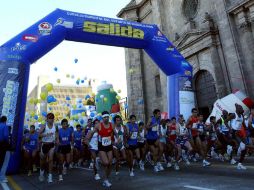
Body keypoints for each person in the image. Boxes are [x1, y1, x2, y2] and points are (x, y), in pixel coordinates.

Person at [95, 111, 114, 187]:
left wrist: (117, 138)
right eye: (105, 117)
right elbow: (92, 132)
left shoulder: (112, 125)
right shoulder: (98, 125)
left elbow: (114, 133)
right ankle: (99, 159)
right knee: (106, 163)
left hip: (109, 146)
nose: (106, 119)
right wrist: (87, 139)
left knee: (110, 164)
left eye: (107, 117)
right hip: (102, 146)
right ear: (102, 118)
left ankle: (106, 179)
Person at [38, 113, 57, 183]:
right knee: (42, 161)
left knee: (51, 160)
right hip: (44, 145)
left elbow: (56, 134)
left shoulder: (55, 126)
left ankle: (50, 176)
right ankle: (41, 173)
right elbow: (39, 134)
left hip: (51, 145)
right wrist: (46, 134)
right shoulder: (44, 126)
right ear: (47, 119)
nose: (51, 119)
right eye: (50, 118)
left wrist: (57, 140)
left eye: (52, 118)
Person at [0, 116, 10, 183]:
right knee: (5, 161)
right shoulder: (5, 126)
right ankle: (2, 177)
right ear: (5, 120)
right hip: (3, 145)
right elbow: (6, 136)